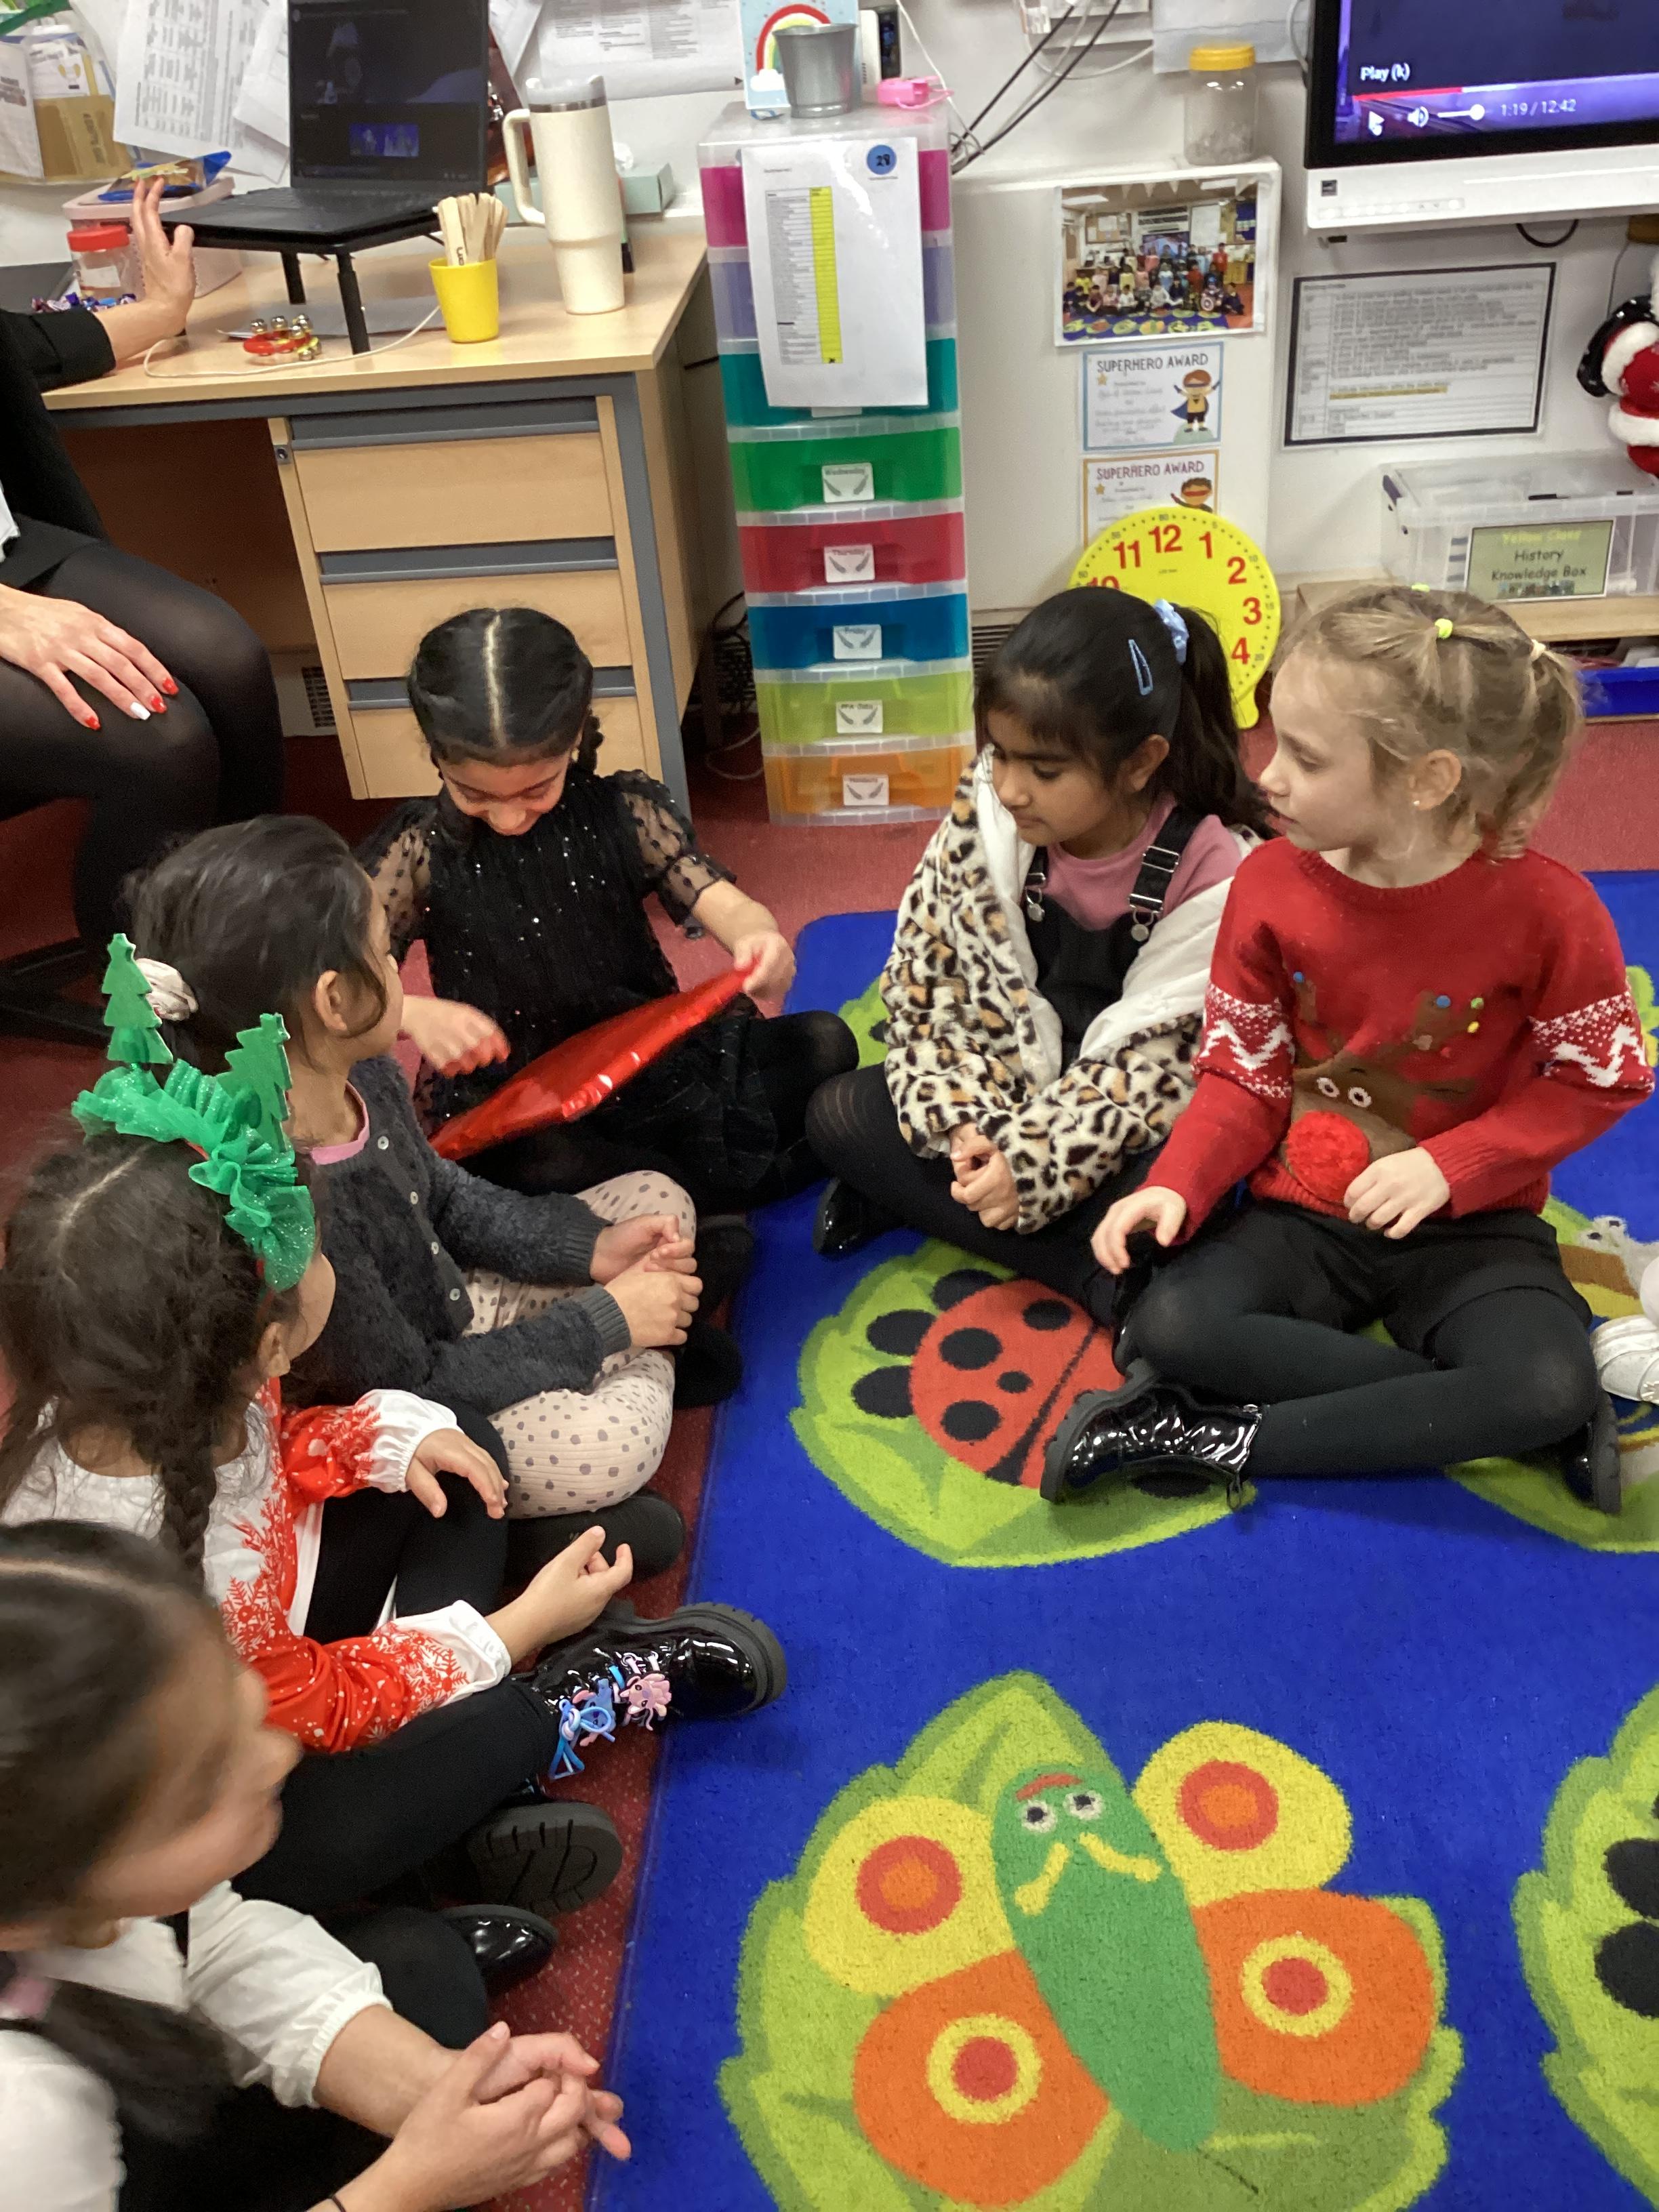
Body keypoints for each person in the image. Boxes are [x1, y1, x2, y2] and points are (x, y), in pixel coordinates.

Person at [0, 980, 787, 1925]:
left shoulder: (142, 1388)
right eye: (317, 1255)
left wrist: (382, 1441)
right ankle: (551, 1705)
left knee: (453, 1445)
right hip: (232, 1817)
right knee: (365, 1819)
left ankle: (463, 1793)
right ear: (270, 1347)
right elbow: (315, 1705)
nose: (330, 1262)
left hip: (280, 1645)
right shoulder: (169, 1587)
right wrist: (517, 1632)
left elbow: (270, 1454)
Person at [1052, 584, 1653, 1513]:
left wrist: (1455, 1165)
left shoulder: (1553, 911)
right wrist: (1179, 1182)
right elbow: (1242, 1074)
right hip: (1306, 1214)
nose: (1268, 775)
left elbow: (1599, 1079)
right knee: (1169, 1324)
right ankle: (1495, 1414)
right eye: (1274, 739)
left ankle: (1205, 1436)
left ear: (1428, 780)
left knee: (1545, 1381)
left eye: (1307, 756)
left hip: (1472, 1228)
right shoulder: (1268, 885)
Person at [129, 815, 748, 1548]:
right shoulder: (292, 1205)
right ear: (334, 1001)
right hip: (411, 1404)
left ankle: (647, 1345)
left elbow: (444, 1198)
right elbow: (414, 1386)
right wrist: (607, 1320)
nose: (400, 973)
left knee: (657, 1199)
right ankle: (643, 1359)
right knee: (610, 1442)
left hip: (450, 1310)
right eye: (386, 953)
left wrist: (586, 1247)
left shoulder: (362, 1070)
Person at [0, 1519, 632, 2212]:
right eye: (204, 1785)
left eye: (245, 1705)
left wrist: (432, 2083)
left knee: (421, 1969)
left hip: (127, 2091)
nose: (279, 1755)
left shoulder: (55, 1876)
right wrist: (406, 2188)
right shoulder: (23, 2121)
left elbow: (204, 1943)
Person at [808, 587, 1272, 1325]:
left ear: (1140, 763)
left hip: (1112, 1117)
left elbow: (1159, 1072)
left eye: (1046, 771)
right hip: (1005, 1077)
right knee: (836, 1113)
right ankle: (1089, 1274)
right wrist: (966, 1123)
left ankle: (933, 1206)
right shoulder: (988, 817)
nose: (1010, 788)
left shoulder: (1217, 874)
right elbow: (933, 982)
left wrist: (1035, 1165)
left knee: (1176, 1194)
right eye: (1000, 755)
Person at [366, 606, 857, 1212]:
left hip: (647, 1062)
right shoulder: (418, 850)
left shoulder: (623, 810)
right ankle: (746, 1186)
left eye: (536, 789)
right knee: (540, 1162)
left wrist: (758, 937)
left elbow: (719, 900)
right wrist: (409, 1011)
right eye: (473, 794)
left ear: (575, 736)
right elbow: (337, 980)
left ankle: (687, 1200)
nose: (509, 817)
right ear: (435, 755)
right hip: (523, 1099)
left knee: (825, 1042)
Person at [0, 180, 283, 973]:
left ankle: (250, 939)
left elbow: (20, 347)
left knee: (228, 659)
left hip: (11, 555)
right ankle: (148, 1005)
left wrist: (162, 309)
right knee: (161, 739)